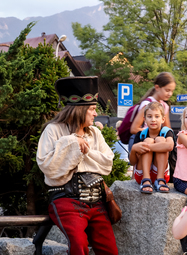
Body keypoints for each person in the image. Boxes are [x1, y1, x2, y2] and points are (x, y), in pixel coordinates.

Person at [36, 76, 118, 255]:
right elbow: (48, 167)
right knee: (79, 245)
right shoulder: (54, 130)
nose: (96, 114)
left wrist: (85, 151)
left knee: (110, 250)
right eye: (92, 109)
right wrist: (72, 142)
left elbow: (107, 164)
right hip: (66, 199)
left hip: (96, 202)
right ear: (79, 110)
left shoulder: (95, 133)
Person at [129, 102, 175, 193]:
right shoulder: (141, 134)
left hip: (160, 173)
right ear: (144, 119)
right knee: (148, 140)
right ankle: (146, 179)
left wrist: (147, 147)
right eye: (149, 116)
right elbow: (132, 162)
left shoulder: (167, 132)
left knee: (161, 140)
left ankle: (160, 179)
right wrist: (134, 149)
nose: (153, 120)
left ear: (163, 119)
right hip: (141, 174)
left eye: (157, 116)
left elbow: (169, 146)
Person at [129, 72, 176, 151]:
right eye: (167, 90)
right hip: (143, 142)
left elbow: (167, 128)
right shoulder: (147, 104)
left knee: (161, 141)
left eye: (172, 91)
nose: (170, 93)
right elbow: (134, 129)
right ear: (157, 87)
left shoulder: (165, 106)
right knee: (151, 141)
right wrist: (153, 133)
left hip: (156, 144)